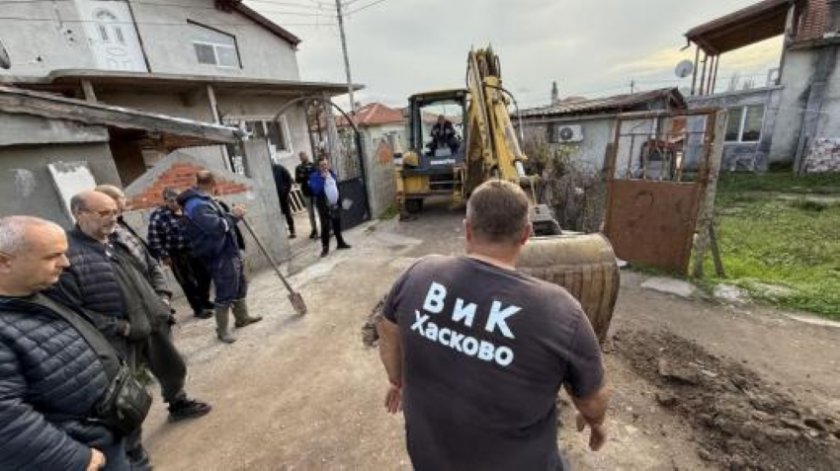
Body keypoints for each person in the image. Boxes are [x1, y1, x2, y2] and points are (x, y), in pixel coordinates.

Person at [375, 180, 609, 471]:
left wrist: (396, 380)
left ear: (467, 229)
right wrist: (595, 422)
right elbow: (592, 400)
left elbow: (387, 330)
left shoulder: (419, 273)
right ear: (526, 234)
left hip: (429, 459)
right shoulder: (560, 311)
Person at [51, 190, 211, 470]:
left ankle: (178, 403)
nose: (113, 218)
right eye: (104, 213)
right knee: (123, 401)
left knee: (173, 368)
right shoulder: (68, 256)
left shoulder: (118, 239)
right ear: (79, 214)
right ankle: (133, 454)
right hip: (117, 340)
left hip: (153, 323)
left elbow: (152, 266)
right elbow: (75, 312)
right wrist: (121, 327)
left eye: (114, 212)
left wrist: (162, 297)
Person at [0, 216, 129, 470]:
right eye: (52, 256)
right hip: (83, 454)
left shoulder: (35, 293)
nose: (66, 263)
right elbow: (5, 416)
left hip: (107, 434)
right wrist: (72, 458)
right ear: (4, 261)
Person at [178, 170, 262, 343]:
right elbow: (215, 227)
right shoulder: (197, 205)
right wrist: (234, 216)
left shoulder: (204, 200)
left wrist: (230, 214)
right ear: (213, 183)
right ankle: (222, 331)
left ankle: (242, 318)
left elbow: (219, 219)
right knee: (225, 291)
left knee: (239, 285)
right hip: (218, 254)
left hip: (228, 250)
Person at [147, 187, 214, 319]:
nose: (175, 203)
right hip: (177, 254)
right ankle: (198, 308)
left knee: (205, 276)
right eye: (171, 201)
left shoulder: (186, 209)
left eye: (177, 200)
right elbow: (153, 238)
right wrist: (164, 255)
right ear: (165, 201)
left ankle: (205, 301)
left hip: (195, 248)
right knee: (188, 282)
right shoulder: (159, 216)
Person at [308, 158, 351, 258]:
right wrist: (322, 179)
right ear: (318, 166)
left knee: (337, 224)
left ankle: (340, 243)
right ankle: (325, 248)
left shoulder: (332, 173)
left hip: (334, 204)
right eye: (322, 165)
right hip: (324, 206)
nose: (325, 166)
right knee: (325, 227)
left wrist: (340, 201)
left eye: (326, 164)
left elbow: (336, 187)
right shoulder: (315, 176)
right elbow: (315, 190)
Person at [294, 151, 319, 239]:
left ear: (307, 156)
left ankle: (323, 227)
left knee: (319, 210)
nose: (303, 158)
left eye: (304, 156)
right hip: (306, 193)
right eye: (301, 157)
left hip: (315, 191)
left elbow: (316, 175)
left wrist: (304, 175)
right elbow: (297, 180)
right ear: (300, 159)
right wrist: (306, 176)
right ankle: (314, 229)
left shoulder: (313, 165)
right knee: (310, 213)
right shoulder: (298, 168)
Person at [271, 160, 296, 239]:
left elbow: (289, 179)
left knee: (287, 214)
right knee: (276, 215)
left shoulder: (280, 168)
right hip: (272, 198)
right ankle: (280, 233)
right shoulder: (266, 171)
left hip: (283, 196)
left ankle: (292, 231)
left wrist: (286, 191)